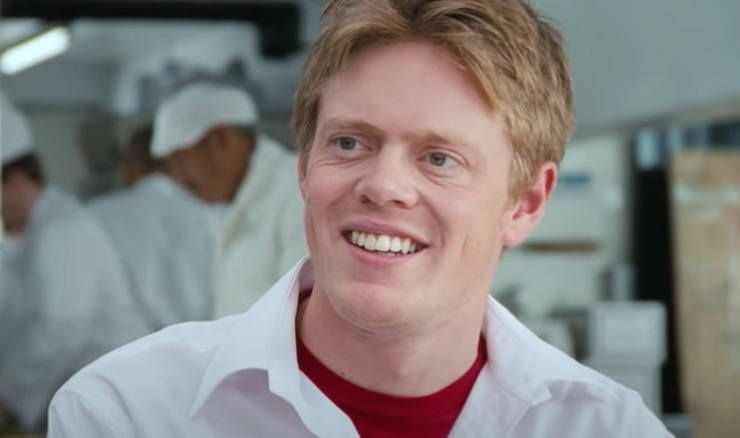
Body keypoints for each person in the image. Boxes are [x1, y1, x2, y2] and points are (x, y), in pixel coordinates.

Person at [48, 0, 673, 436]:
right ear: (304, 167)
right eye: (350, 143)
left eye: (439, 157)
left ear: (526, 203)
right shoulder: (128, 414)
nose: (382, 186)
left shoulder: (606, 428)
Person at [0, 95, 147, 433]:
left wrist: (12, 397)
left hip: (116, 400)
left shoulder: (62, 230)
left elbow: (58, 327)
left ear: (16, 182)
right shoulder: (34, 238)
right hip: (88, 401)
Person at [148, 82, 308, 318]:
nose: (179, 181)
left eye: (180, 159)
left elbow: (302, 315)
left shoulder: (297, 192)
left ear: (221, 139)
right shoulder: (224, 203)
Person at [88, 124, 215, 331]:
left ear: (132, 160)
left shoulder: (96, 215)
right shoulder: (207, 214)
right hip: (195, 348)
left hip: (118, 353)